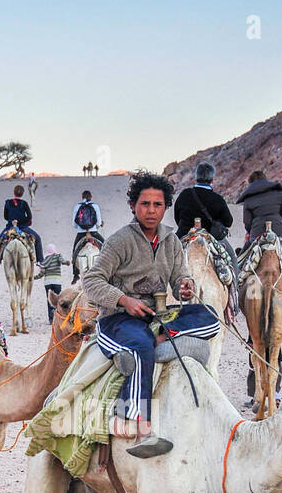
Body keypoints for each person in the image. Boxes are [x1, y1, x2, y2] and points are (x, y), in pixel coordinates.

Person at [82, 171, 220, 458]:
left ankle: (159, 337)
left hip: (157, 316)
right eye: (145, 204)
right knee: (141, 344)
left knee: (209, 316)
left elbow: (181, 275)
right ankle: (138, 424)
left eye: (157, 204)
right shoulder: (120, 241)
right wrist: (124, 300)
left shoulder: (171, 240)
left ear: (165, 207)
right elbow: (92, 281)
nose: (151, 210)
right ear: (134, 206)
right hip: (118, 319)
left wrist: (186, 287)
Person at [173, 160, 239, 283]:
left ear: (196, 178)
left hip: (184, 235)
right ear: (212, 180)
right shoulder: (217, 199)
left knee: (164, 257)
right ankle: (235, 293)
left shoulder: (184, 195)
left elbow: (177, 217)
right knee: (232, 259)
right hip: (211, 238)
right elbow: (229, 221)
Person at [236, 169, 282, 245]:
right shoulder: (279, 193)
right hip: (279, 234)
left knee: (244, 253)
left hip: (257, 236)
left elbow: (247, 223)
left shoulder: (248, 199)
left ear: (251, 183)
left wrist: (251, 231)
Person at [0, 184, 42, 263]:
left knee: (0, 239)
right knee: (38, 238)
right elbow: (29, 217)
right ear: (22, 193)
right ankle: (40, 260)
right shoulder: (24, 203)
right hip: (23, 228)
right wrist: (21, 221)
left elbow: (5, 217)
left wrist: (13, 220)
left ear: (14, 192)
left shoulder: (8, 203)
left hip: (10, 227)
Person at [70, 189, 104, 280]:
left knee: (75, 252)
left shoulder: (77, 206)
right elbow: (98, 222)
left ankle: (75, 274)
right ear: (91, 197)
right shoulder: (95, 206)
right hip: (93, 232)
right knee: (105, 247)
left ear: (82, 197)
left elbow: (74, 224)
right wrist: (95, 227)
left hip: (81, 233)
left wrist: (81, 228)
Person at [36, 243, 69, 321]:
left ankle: (51, 319)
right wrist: (65, 262)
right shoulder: (57, 256)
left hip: (47, 283)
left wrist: (34, 277)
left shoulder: (45, 260)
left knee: (50, 300)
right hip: (57, 282)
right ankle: (58, 317)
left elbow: (42, 273)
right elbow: (62, 261)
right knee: (58, 299)